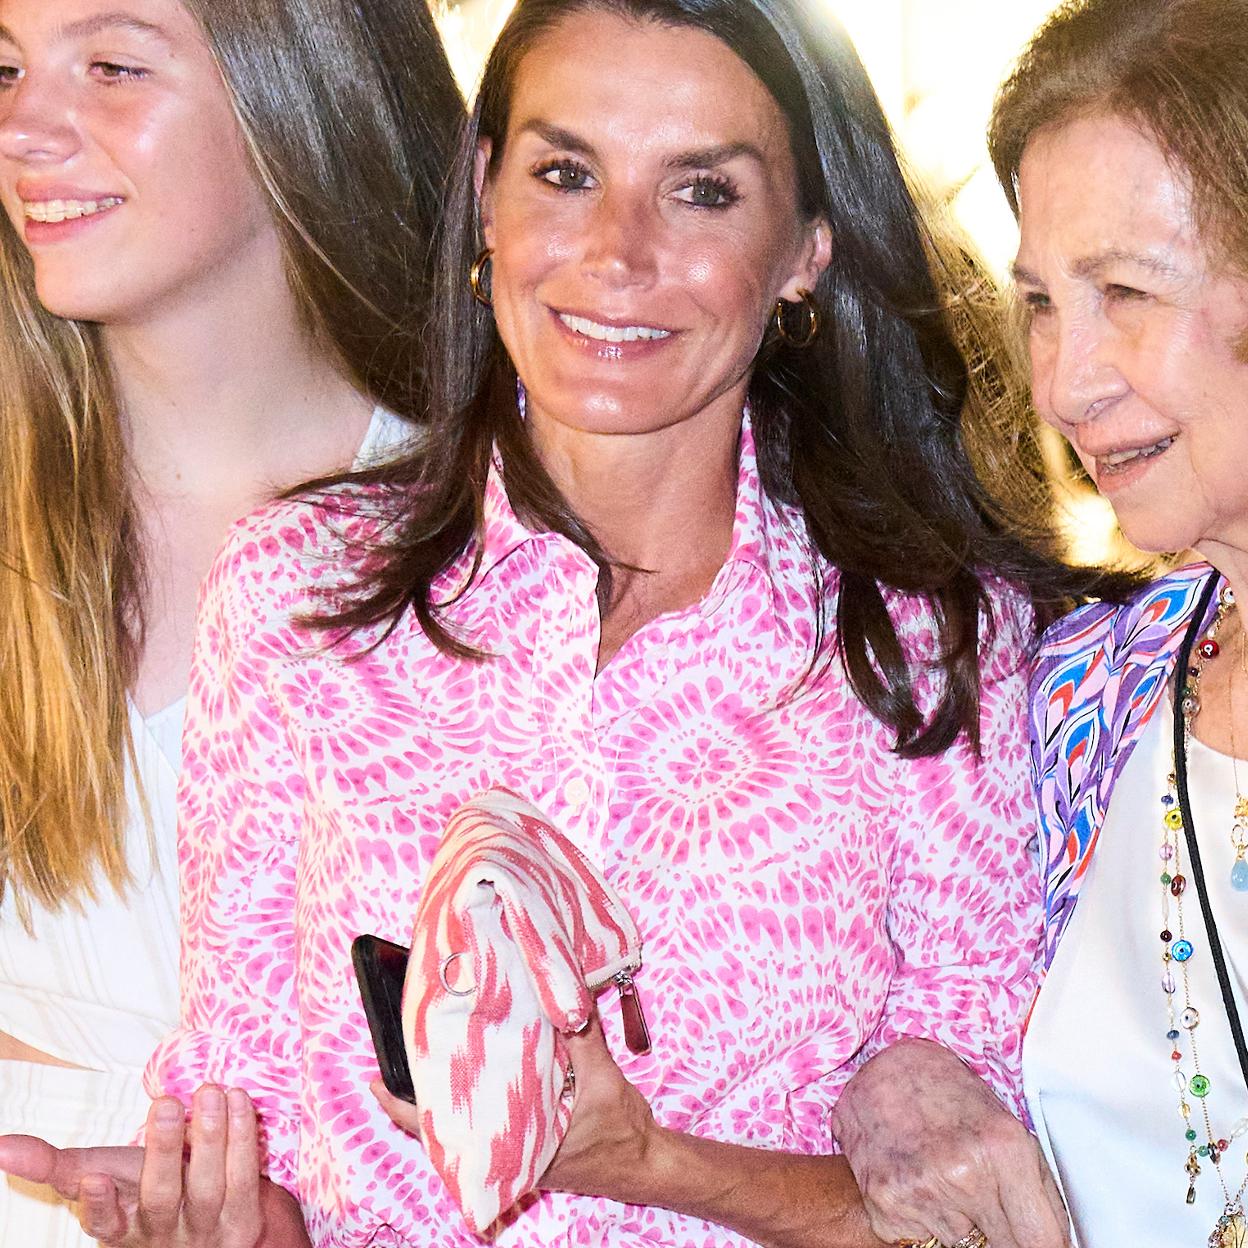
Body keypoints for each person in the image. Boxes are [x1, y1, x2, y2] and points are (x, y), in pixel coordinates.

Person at [0, 0, 1098, 1244]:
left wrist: (653, 1163)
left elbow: (998, 1211)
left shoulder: (927, 646)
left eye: (702, 195)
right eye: (565, 174)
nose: (616, 254)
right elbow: (246, 1105)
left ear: (807, 251)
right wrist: (226, 1217)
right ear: (484, 195)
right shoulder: (295, 600)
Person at [0, 0, 461, 1242]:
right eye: (3, 66)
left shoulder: (486, 551)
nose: (24, 128)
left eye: (109, 65)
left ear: (297, 97)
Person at [831, 1, 1248, 1245]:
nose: (1066, 380)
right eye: (1042, 303)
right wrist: (893, 1082)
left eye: (1125, 290)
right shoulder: (1085, 692)